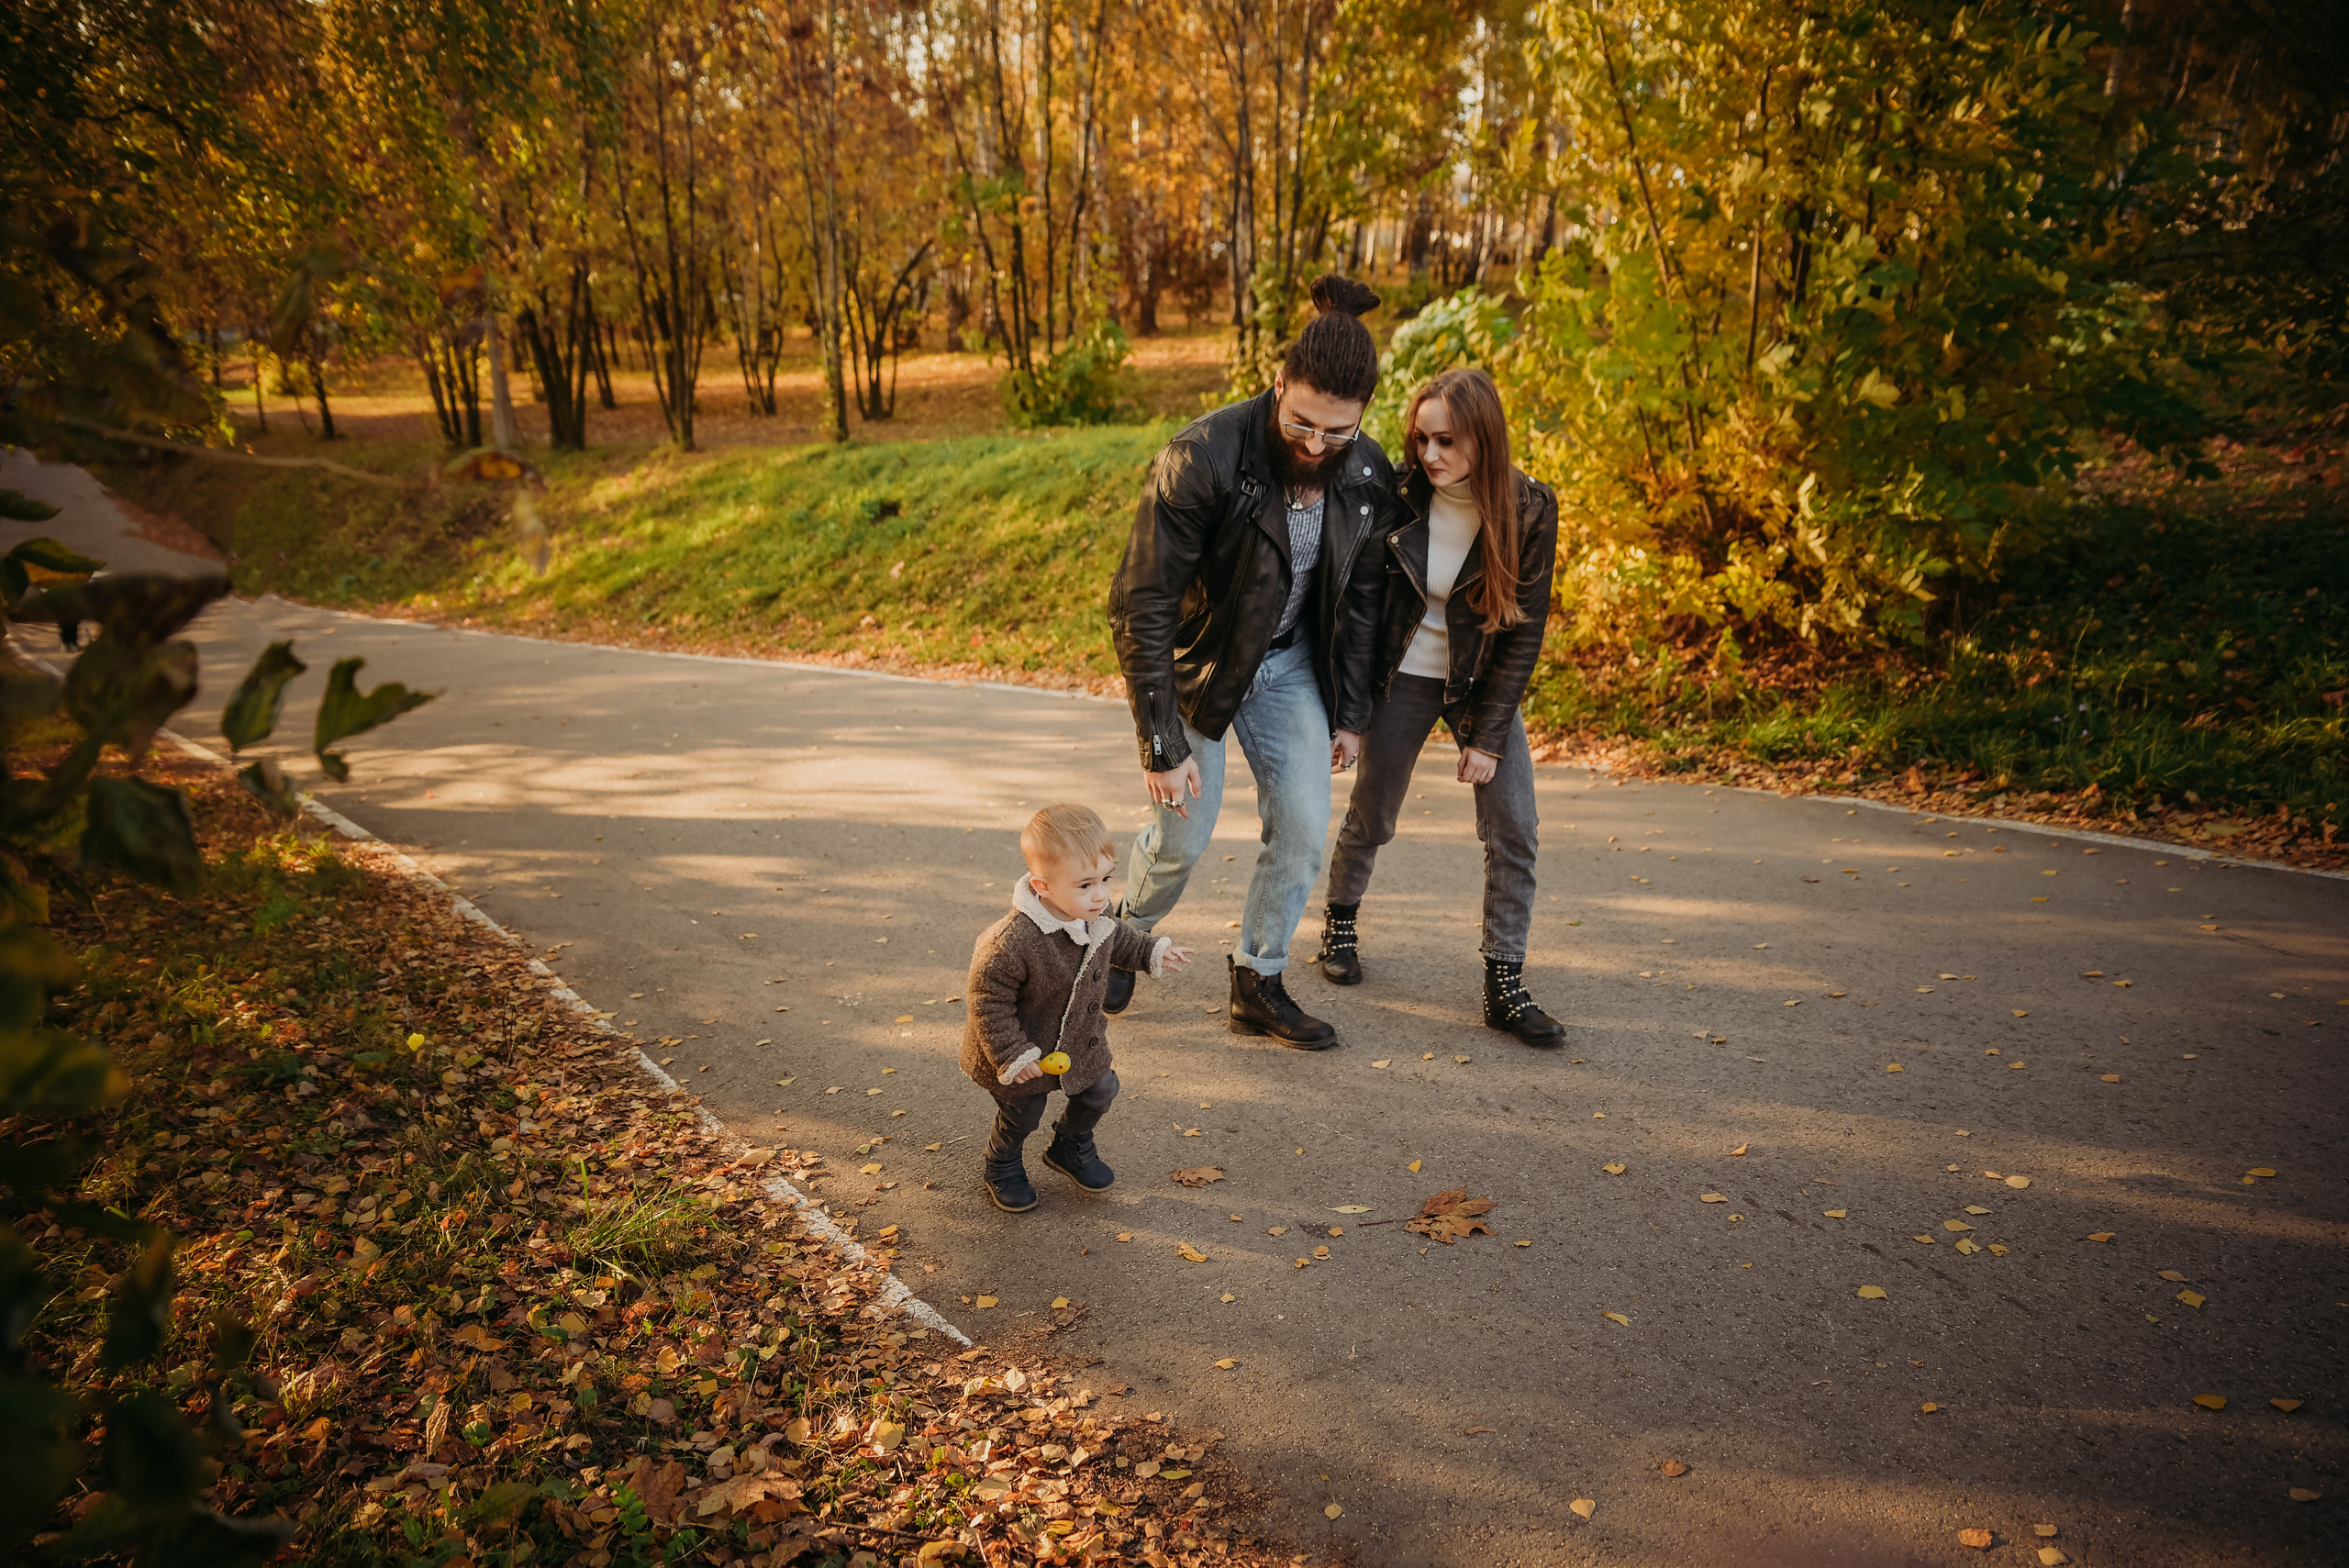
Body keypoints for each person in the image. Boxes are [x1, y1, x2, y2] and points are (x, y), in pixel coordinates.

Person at [1106, 273, 1392, 1049]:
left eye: (1338, 431)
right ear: (1279, 385)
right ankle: (1118, 937)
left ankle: (1257, 980)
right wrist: (1161, 742)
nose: (1315, 445)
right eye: (1302, 422)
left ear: (1361, 414)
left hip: (1290, 667)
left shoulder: (1366, 476)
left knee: (1302, 827)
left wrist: (1354, 715)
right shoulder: (1201, 457)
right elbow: (1142, 603)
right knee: (1181, 841)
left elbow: (1363, 605)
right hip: (1201, 670)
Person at [1316, 366, 1567, 1047]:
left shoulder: (1532, 509)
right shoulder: (1399, 499)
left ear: (1484, 438)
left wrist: (1487, 736)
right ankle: (1339, 922)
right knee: (1373, 813)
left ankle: (1504, 981)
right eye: (1421, 439)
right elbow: (1366, 612)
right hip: (1402, 676)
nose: (1429, 456)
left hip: (1481, 683)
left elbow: (1524, 633)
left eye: (1446, 440)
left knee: (1516, 827)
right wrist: (1354, 714)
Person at [962, 803, 1194, 1213]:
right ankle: (1002, 1163)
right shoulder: (1010, 942)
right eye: (1086, 884)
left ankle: (1069, 1144)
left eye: (1106, 878)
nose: (1102, 894)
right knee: (1024, 1111)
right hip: (1023, 1049)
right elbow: (987, 1003)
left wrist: (1153, 950)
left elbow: (1119, 938)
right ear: (1043, 886)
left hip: (1076, 1043)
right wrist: (1013, 1054)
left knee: (1102, 1088)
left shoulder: (1093, 915)